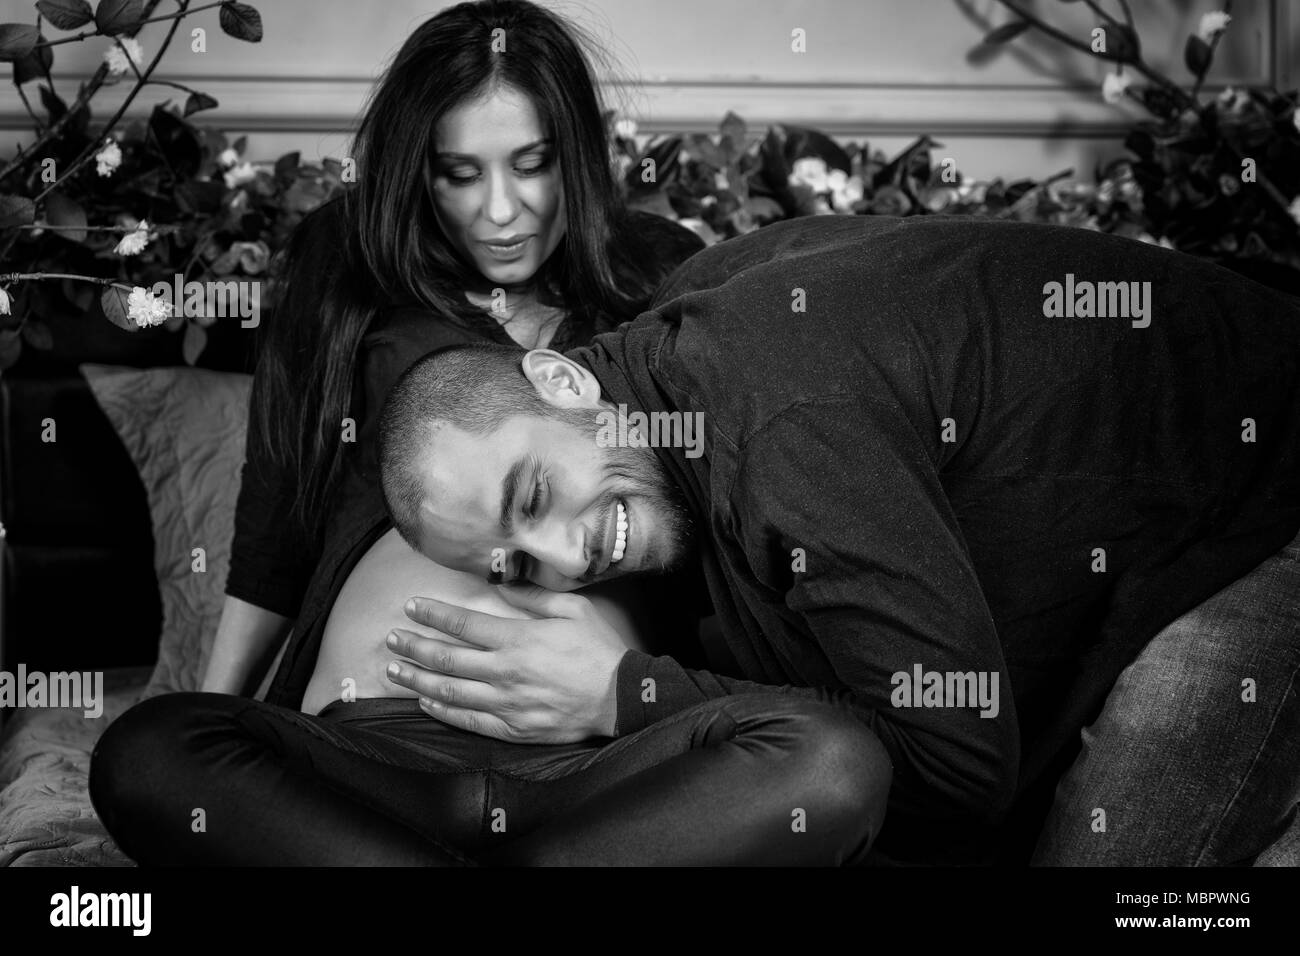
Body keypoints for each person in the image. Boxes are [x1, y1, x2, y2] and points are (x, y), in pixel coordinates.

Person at [196, 0, 705, 708]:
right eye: (459, 174)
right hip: (376, 714)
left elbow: (718, 504)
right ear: (416, 170)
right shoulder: (347, 260)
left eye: (532, 165)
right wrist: (212, 716)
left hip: (595, 726)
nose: (499, 211)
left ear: (579, 156)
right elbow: (275, 526)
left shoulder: (660, 266)